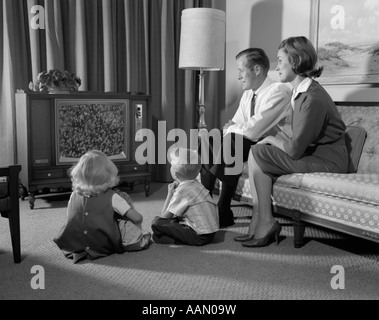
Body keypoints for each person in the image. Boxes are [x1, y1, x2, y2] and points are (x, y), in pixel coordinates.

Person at [239, 36, 349, 247]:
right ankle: (260, 219)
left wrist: (270, 138)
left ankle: (264, 221)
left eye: (280, 61)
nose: (276, 66)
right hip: (316, 154)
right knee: (258, 150)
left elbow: (295, 149)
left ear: (296, 61)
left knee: (259, 151)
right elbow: (298, 136)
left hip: (330, 161)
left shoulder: (312, 98)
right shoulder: (301, 93)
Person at [200, 48, 292, 228]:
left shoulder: (279, 91)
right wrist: (232, 128)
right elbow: (236, 123)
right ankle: (204, 202)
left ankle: (223, 209)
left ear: (257, 70)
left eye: (241, 71)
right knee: (210, 137)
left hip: (271, 146)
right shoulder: (248, 94)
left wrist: (233, 128)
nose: (239, 76)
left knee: (231, 140)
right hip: (248, 143)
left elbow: (252, 130)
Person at [54, 150, 151, 263]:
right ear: (108, 174)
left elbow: (70, 216)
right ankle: (141, 238)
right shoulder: (113, 197)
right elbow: (137, 218)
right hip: (101, 244)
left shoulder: (74, 195)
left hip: (75, 243)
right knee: (126, 224)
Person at [151, 147, 219, 246]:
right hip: (211, 232)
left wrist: (170, 194)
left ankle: (174, 240)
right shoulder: (198, 184)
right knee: (175, 220)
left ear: (174, 173)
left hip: (198, 236)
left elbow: (164, 218)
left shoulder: (181, 192)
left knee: (156, 222)